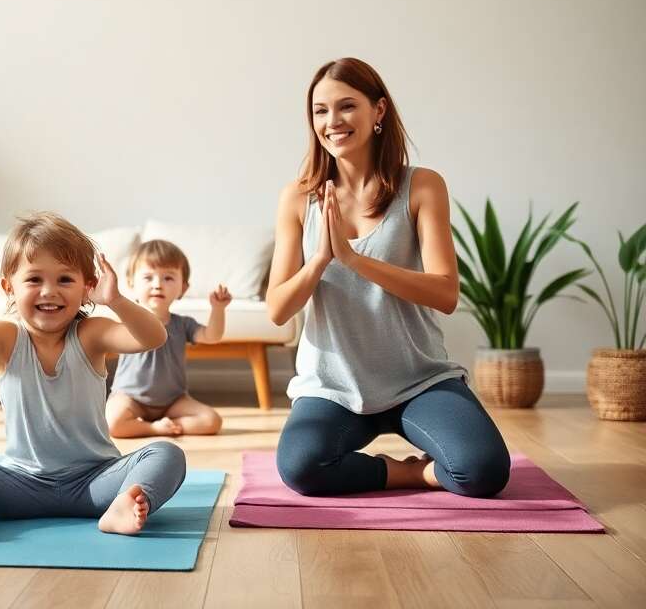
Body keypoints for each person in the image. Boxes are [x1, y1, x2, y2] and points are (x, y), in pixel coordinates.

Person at [267, 57, 510, 497]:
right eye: (320, 111)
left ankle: (422, 464)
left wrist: (356, 260)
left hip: (418, 381)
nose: (332, 121)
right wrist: (321, 259)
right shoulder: (298, 198)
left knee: (484, 471)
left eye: (346, 106)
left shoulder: (421, 186)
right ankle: (412, 474)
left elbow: (446, 292)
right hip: (332, 388)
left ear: (378, 111)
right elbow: (278, 309)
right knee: (301, 469)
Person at [0, 212, 188, 539]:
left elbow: (153, 337)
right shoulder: (4, 339)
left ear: (87, 288)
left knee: (167, 455)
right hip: (22, 485)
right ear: (9, 287)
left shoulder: (91, 334)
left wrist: (115, 300)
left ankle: (122, 506)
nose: (49, 291)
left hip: (95, 483)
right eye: (34, 280)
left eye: (65, 280)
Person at [106, 239, 228, 437]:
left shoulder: (182, 324)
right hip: (130, 398)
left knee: (212, 421)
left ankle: (167, 424)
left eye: (168, 278)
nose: (157, 285)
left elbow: (212, 336)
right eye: (148, 278)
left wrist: (218, 309)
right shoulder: (129, 320)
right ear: (131, 284)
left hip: (173, 401)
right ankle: (154, 428)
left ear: (183, 288)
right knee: (112, 424)